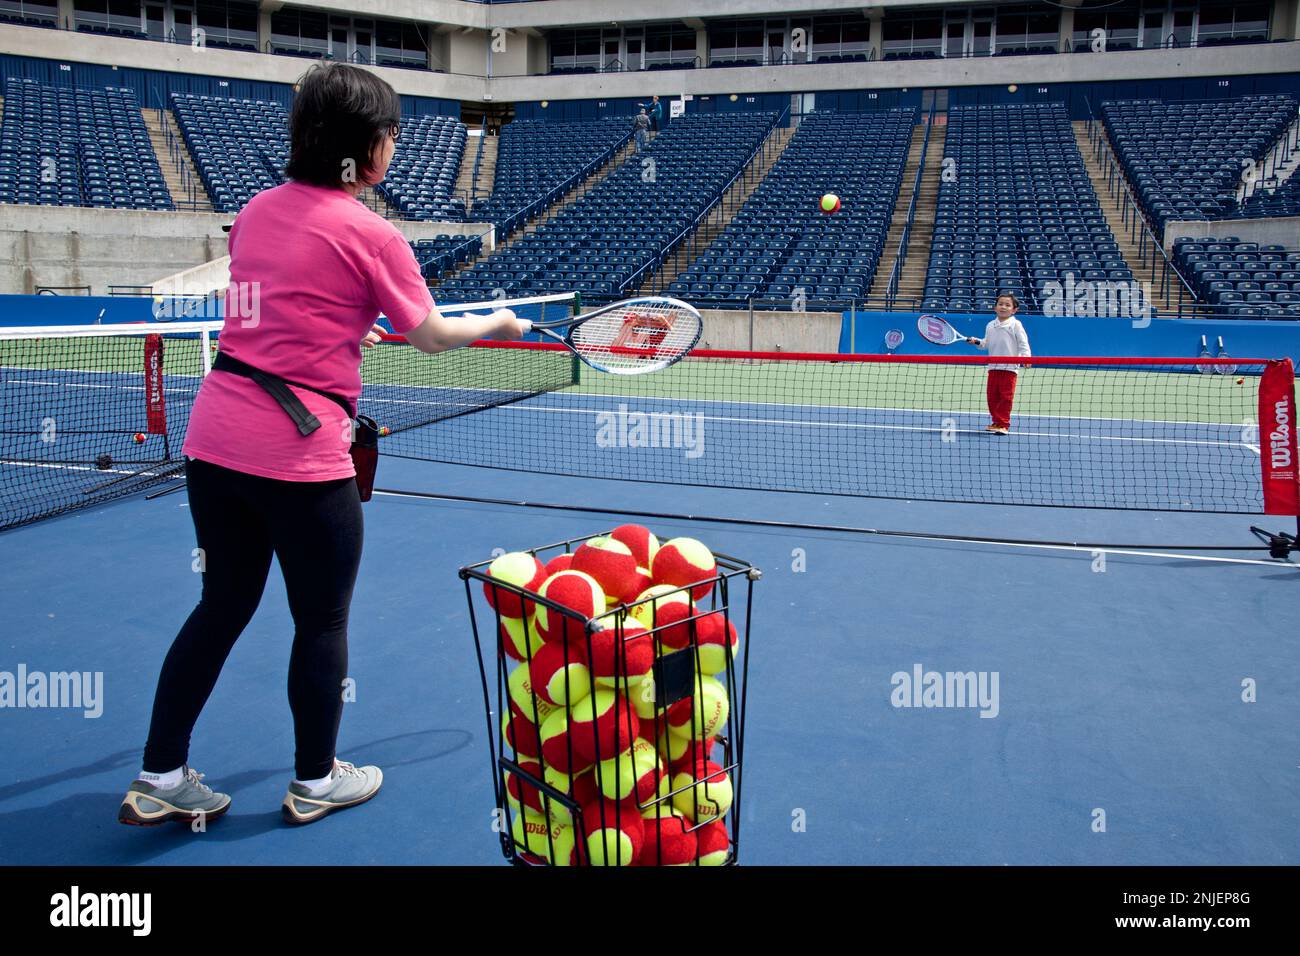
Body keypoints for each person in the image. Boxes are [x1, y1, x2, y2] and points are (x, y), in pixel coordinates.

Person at [117, 63, 525, 828]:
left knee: (221, 605)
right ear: (368, 147)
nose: (395, 148)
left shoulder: (255, 213)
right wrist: (499, 324)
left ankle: (160, 775)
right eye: (392, 135)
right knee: (322, 621)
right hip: (299, 460)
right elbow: (432, 337)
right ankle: (315, 780)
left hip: (214, 444)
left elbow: (274, 311)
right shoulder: (373, 233)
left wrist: (342, 324)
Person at [966, 292, 1031, 435]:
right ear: (995, 308)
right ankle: (996, 422)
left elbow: (1023, 343)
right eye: (1000, 304)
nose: (1003, 307)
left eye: (1007, 305)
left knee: (1006, 397)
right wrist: (976, 341)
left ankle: (1003, 424)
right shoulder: (990, 325)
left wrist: (1026, 357)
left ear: (1014, 310)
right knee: (992, 397)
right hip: (993, 367)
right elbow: (986, 344)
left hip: (1010, 368)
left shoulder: (1016, 325)